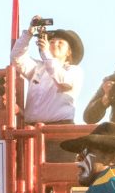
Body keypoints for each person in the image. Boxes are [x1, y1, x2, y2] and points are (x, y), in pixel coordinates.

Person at [10, 15, 84, 162]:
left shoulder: (74, 71)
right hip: (32, 132)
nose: (54, 44)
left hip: (59, 133)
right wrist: (29, 33)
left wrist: (46, 54)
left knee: (56, 179)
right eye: (51, 41)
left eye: (60, 43)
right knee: (28, 178)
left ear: (69, 52)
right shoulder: (38, 68)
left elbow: (62, 80)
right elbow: (16, 58)